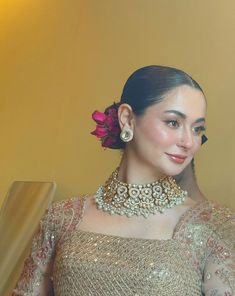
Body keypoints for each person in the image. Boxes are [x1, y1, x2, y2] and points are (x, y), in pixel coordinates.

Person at [13, 65, 234, 295]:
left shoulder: (213, 226)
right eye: (173, 123)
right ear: (127, 119)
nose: (189, 141)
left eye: (197, 129)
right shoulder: (61, 218)